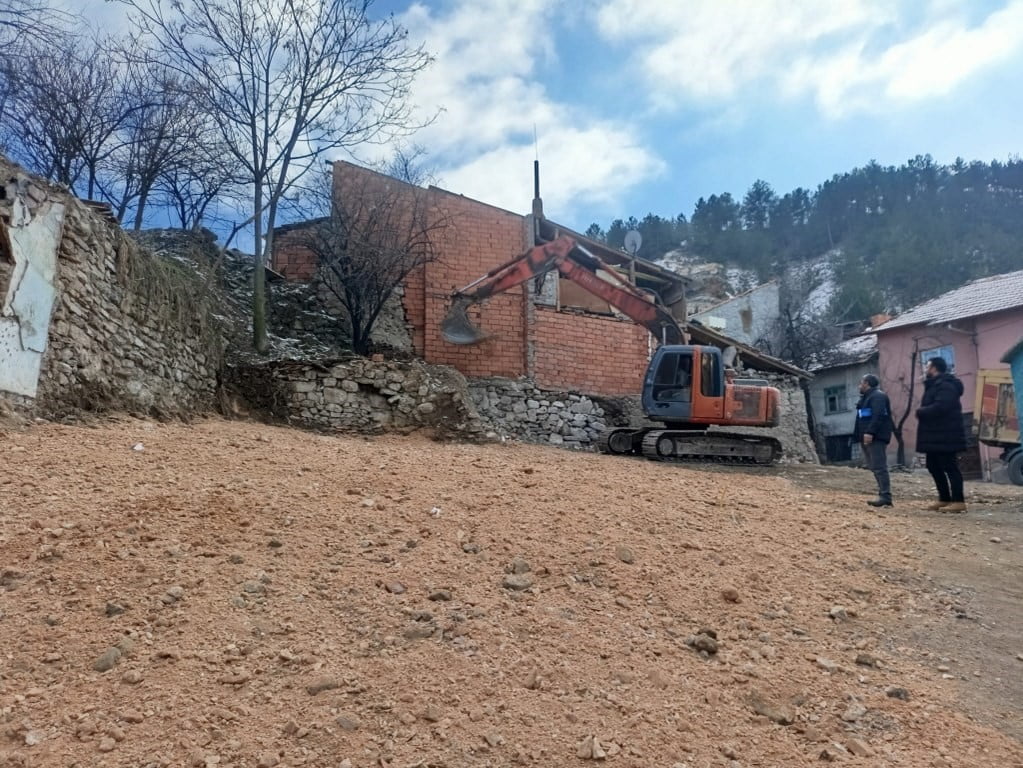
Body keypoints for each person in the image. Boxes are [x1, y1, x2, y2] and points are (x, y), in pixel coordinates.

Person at [916, 357, 967, 512]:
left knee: (950, 467)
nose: (925, 369)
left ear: (934, 368)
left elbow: (941, 407)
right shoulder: (934, 385)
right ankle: (944, 498)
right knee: (933, 466)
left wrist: (921, 412)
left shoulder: (946, 385)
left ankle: (959, 501)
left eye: (927, 365)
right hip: (935, 436)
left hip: (946, 435)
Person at [854, 374, 894, 507]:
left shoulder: (877, 396)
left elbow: (878, 416)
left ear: (866, 383)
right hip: (867, 436)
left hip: (875, 437)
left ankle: (886, 497)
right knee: (874, 467)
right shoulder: (866, 398)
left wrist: (870, 432)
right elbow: (863, 418)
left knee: (879, 467)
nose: (859, 386)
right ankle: (882, 495)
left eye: (861, 383)